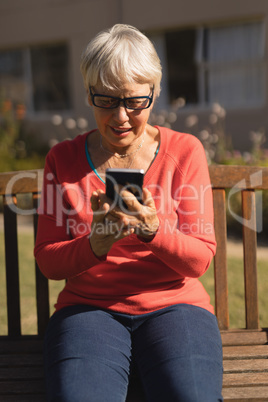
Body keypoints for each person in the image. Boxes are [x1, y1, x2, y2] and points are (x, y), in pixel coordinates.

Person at [34, 24, 223, 402]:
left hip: (175, 305)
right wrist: (93, 245)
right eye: (105, 100)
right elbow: (49, 262)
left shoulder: (184, 152)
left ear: (154, 95)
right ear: (88, 94)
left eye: (134, 101)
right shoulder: (63, 159)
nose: (120, 116)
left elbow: (200, 258)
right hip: (89, 309)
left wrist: (155, 231)